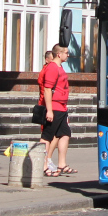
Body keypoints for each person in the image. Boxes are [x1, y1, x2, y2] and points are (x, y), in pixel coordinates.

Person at [39, 44, 74, 177]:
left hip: (62, 107)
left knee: (65, 133)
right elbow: (47, 89)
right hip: (54, 107)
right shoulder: (52, 68)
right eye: (66, 52)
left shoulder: (60, 67)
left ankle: (61, 164)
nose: (68, 55)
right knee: (47, 137)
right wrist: (49, 110)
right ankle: (43, 165)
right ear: (59, 54)